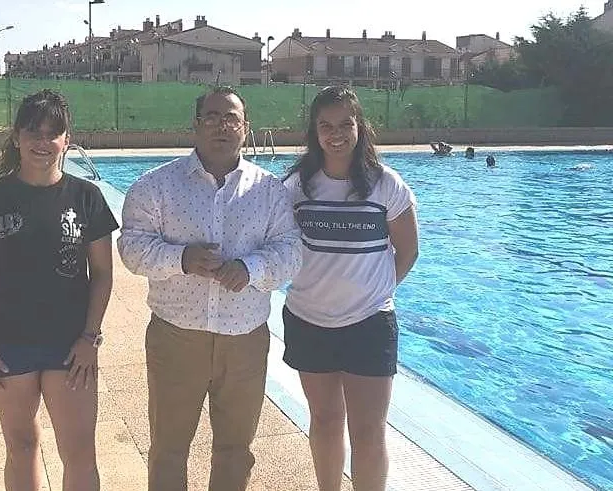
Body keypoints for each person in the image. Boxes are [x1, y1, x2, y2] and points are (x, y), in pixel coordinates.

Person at [117, 86, 302, 491]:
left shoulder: (269, 190)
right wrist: (181, 258)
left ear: (246, 128)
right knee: (168, 448)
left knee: (236, 449)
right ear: (196, 125)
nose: (222, 126)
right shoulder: (156, 186)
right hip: (176, 337)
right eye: (212, 117)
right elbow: (131, 249)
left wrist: (250, 268)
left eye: (231, 118)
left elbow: (290, 250)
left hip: (245, 340)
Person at [0, 89, 119, 491]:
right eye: (33, 132)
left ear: (67, 140)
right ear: (17, 137)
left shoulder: (86, 198)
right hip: (7, 342)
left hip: (71, 345)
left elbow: (102, 274)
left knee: (79, 451)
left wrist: (90, 338)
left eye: (52, 134)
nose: (43, 143)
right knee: (21, 444)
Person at [283, 86, 419, 491]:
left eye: (345, 123)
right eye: (326, 125)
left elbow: (408, 250)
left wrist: (373, 293)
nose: (336, 133)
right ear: (314, 131)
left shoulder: (386, 185)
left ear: (360, 126)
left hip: (369, 325)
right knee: (325, 421)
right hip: (308, 320)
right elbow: (276, 244)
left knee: (368, 431)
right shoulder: (296, 186)